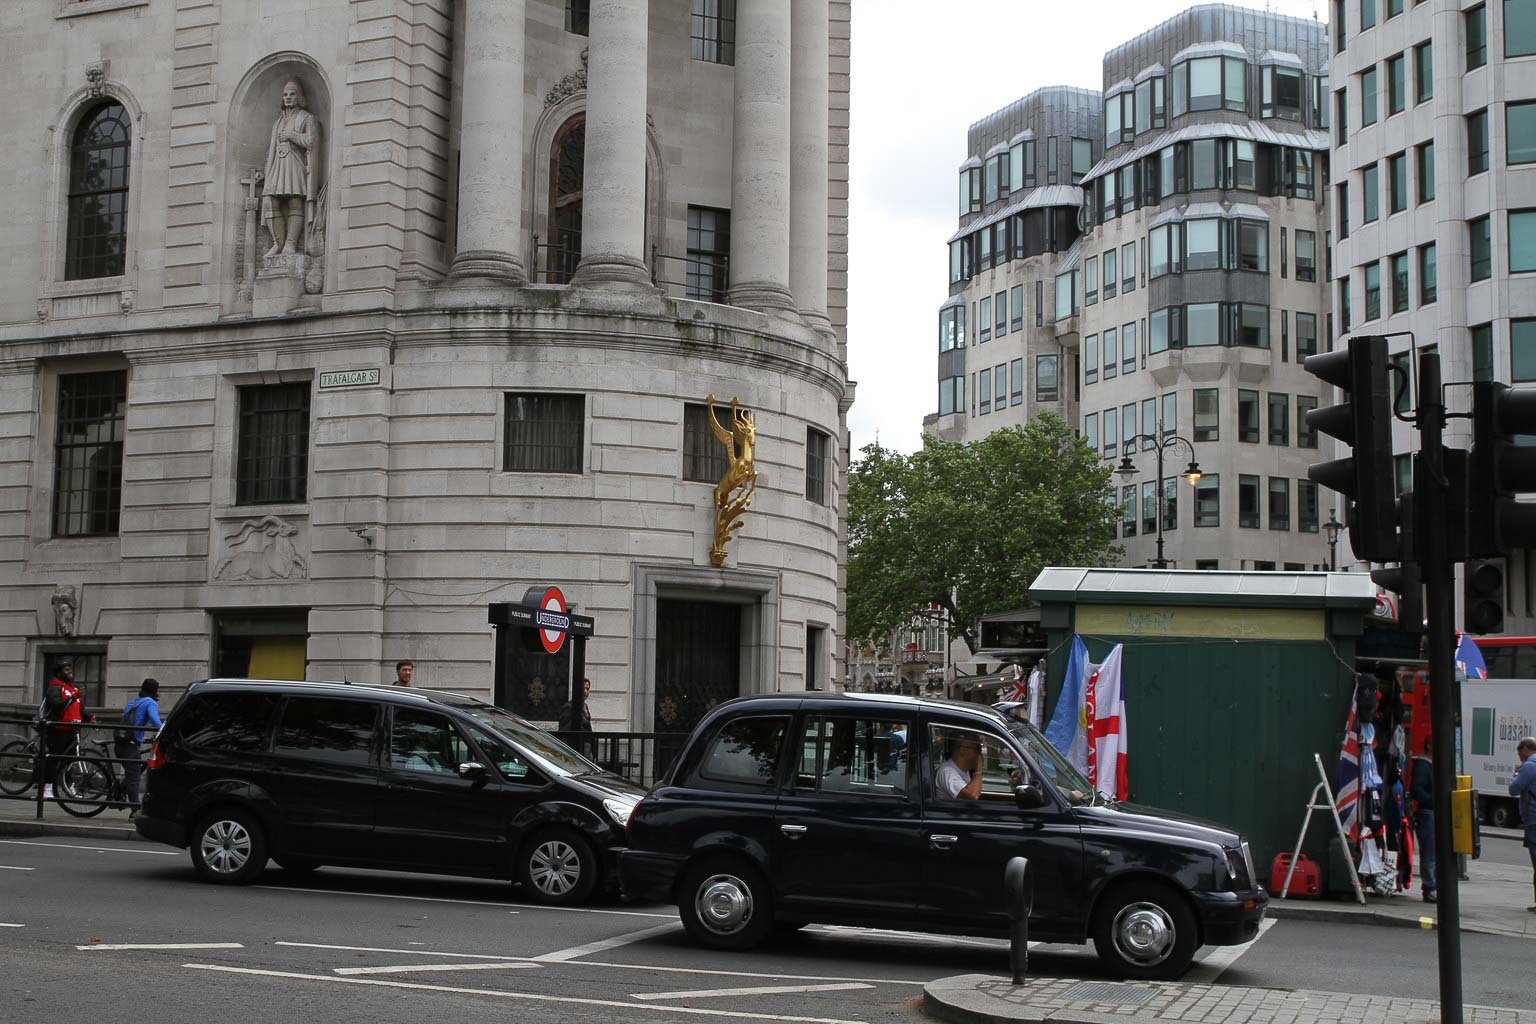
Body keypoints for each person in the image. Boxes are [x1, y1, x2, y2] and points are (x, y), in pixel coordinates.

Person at [39, 660, 91, 799]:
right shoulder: (55, 687)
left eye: (70, 669)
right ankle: (47, 788)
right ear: (59, 673)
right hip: (58, 728)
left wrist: (90, 717)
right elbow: (56, 706)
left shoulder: (74, 689)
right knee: (54, 758)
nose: (70, 672)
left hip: (73, 729)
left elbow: (79, 709)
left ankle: (69, 786)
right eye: (66, 670)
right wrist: (73, 697)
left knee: (70, 761)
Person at [117, 679, 162, 816]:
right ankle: (135, 811)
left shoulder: (133, 702)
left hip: (121, 744)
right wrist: (164, 731)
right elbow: (155, 720)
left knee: (132, 772)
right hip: (130, 745)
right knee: (134, 777)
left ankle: (119, 790)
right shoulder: (151, 702)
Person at [1510, 736, 1536, 912]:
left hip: (1533, 818)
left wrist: (1516, 774)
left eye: (1519, 752)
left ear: (1525, 749)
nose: (1519, 756)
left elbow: (1513, 789)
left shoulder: (1528, 766)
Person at [1411, 739, 1436, 903]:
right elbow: (1417, 789)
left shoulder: (1428, 764)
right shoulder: (1423, 765)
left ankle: (1431, 885)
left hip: (1430, 811)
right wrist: (1432, 801)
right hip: (1428, 812)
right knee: (1430, 852)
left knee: (1431, 852)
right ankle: (1430, 887)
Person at [935, 736, 985, 800]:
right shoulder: (947, 772)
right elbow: (973, 795)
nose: (980, 754)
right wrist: (979, 768)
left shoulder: (965, 770)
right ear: (963, 749)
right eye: (978, 750)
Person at [560, 678, 594, 756]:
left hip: (585, 748)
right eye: (583, 688)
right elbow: (564, 731)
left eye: (587, 689)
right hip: (575, 749)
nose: (585, 691)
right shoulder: (569, 707)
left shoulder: (585, 706)